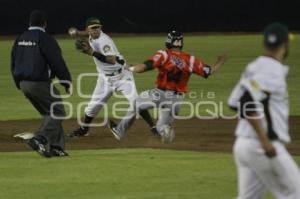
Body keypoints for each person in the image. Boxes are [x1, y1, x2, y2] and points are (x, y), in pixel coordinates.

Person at [108, 30, 227, 142]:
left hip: (159, 94)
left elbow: (144, 67)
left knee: (136, 104)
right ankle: (166, 132)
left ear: (169, 41)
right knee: (161, 126)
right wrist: (220, 62)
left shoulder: (164, 55)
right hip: (177, 100)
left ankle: (120, 132)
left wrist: (130, 67)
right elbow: (209, 71)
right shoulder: (191, 60)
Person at [228, 22, 300, 199]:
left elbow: (234, 102)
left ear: (265, 44)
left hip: (243, 146)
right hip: (261, 146)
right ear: (285, 44)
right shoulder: (272, 70)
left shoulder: (255, 66)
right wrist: (264, 140)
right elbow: (246, 102)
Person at [67, 17, 157, 137]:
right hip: (105, 78)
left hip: (122, 76)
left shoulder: (104, 41)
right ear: (88, 29)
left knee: (136, 102)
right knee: (92, 108)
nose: (97, 30)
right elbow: (86, 33)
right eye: (93, 28)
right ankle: (84, 129)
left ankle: (154, 128)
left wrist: (91, 52)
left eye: (98, 27)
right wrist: (77, 32)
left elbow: (111, 60)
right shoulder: (90, 34)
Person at [11, 10, 72, 157]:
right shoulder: (45, 38)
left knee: (49, 112)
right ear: (45, 24)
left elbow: (13, 62)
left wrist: (18, 83)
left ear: (29, 23)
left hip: (24, 84)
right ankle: (39, 138)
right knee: (58, 111)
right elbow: (56, 61)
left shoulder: (20, 38)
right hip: (39, 82)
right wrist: (66, 81)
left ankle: (56, 148)